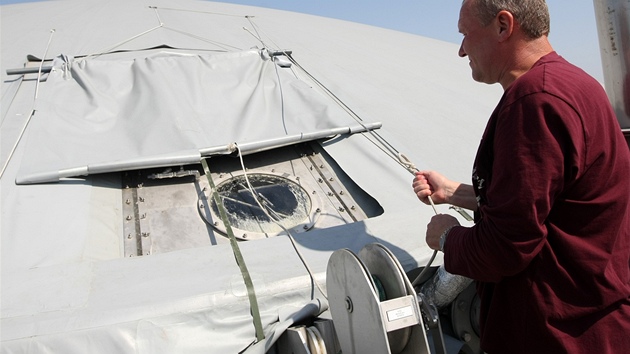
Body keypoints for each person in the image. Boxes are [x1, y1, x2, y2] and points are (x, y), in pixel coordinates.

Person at [412, 0, 630, 353]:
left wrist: (447, 238)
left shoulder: (534, 102)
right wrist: (454, 192)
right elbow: (548, 203)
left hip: (557, 335)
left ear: (503, 25)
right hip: (593, 323)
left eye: (466, 34)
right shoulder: (575, 84)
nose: (461, 50)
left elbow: (505, 248)